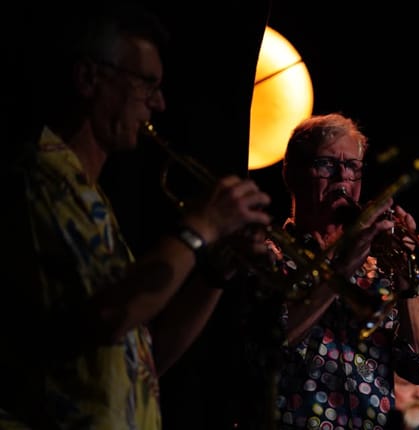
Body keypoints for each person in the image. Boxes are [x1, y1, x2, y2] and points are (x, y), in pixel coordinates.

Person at [0, 3, 272, 429]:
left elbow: (149, 360)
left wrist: (215, 273)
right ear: (89, 78)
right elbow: (108, 317)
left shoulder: (92, 201)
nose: (159, 103)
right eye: (147, 83)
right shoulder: (36, 179)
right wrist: (201, 226)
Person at [271, 112, 419, 429]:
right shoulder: (271, 255)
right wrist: (344, 264)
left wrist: (405, 275)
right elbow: (270, 343)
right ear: (292, 174)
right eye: (327, 164)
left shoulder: (378, 267)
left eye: (353, 166)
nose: (343, 177)